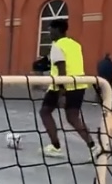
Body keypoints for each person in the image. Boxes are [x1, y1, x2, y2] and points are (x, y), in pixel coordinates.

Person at [39, 19, 98, 158]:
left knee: (45, 112)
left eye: (51, 30)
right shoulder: (75, 44)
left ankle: (55, 146)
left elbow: (62, 69)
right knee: (72, 117)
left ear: (58, 30)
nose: (49, 34)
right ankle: (94, 147)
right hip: (79, 85)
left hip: (61, 85)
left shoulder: (57, 45)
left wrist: (62, 94)